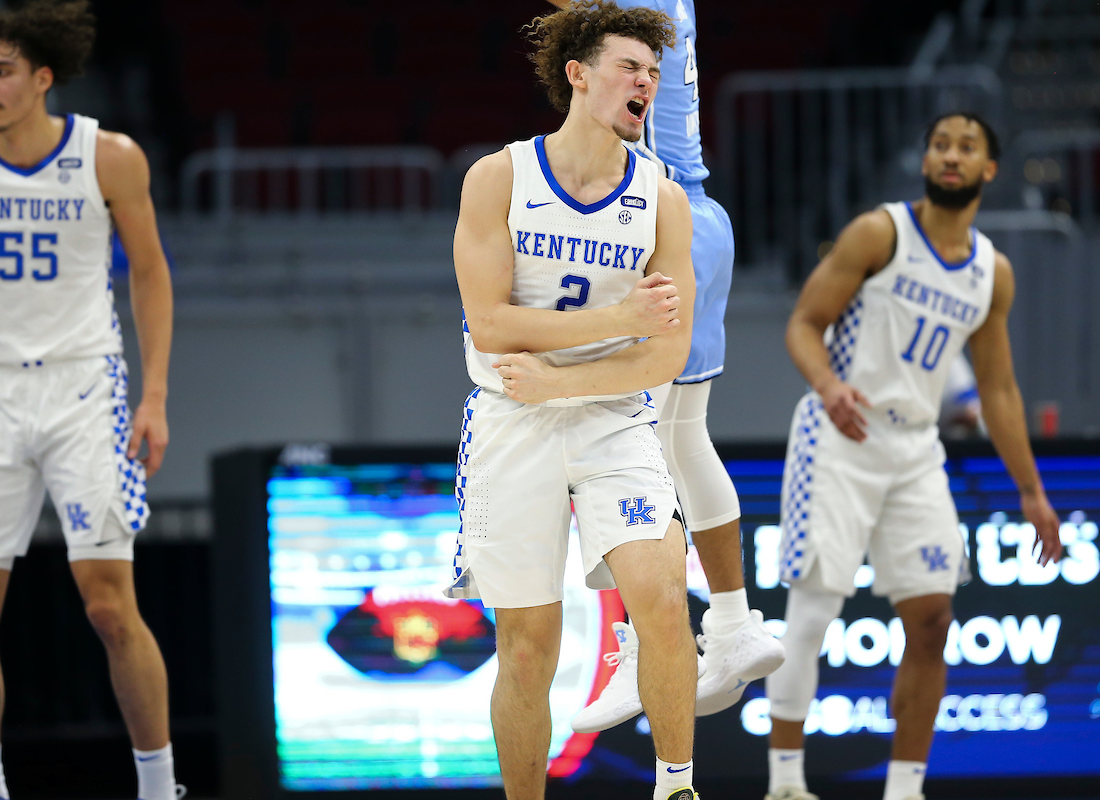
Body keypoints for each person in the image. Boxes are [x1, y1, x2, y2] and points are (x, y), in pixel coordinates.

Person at [0, 3, 180, 798]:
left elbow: (152, 274)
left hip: (84, 385)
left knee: (107, 606)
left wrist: (153, 396)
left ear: (43, 78)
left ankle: (159, 787)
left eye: (2, 72)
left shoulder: (109, 156)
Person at [764, 112, 1063, 800]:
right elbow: (804, 324)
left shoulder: (993, 272)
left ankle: (904, 790)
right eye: (940, 145)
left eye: (966, 148)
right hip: (840, 433)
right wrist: (829, 385)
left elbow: (999, 390)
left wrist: (1032, 490)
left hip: (915, 447)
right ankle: (784, 782)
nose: (950, 156)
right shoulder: (881, 232)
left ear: (989, 170)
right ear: (925, 161)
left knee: (932, 622)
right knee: (811, 614)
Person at [443, 3, 700, 798]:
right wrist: (617, 321)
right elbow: (490, 323)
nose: (646, 84)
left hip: (612, 415)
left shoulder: (662, 198)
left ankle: (677, 785)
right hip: (511, 418)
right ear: (578, 75)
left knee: (660, 598)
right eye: (631, 67)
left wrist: (570, 374)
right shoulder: (498, 177)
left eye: (654, 74)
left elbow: (668, 350)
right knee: (527, 646)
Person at [542, 0, 785, 735]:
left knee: (610, 448)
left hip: (646, 219)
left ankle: (640, 642)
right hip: (701, 219)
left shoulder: (628, 12)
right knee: (682, 442)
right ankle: (737, 623)